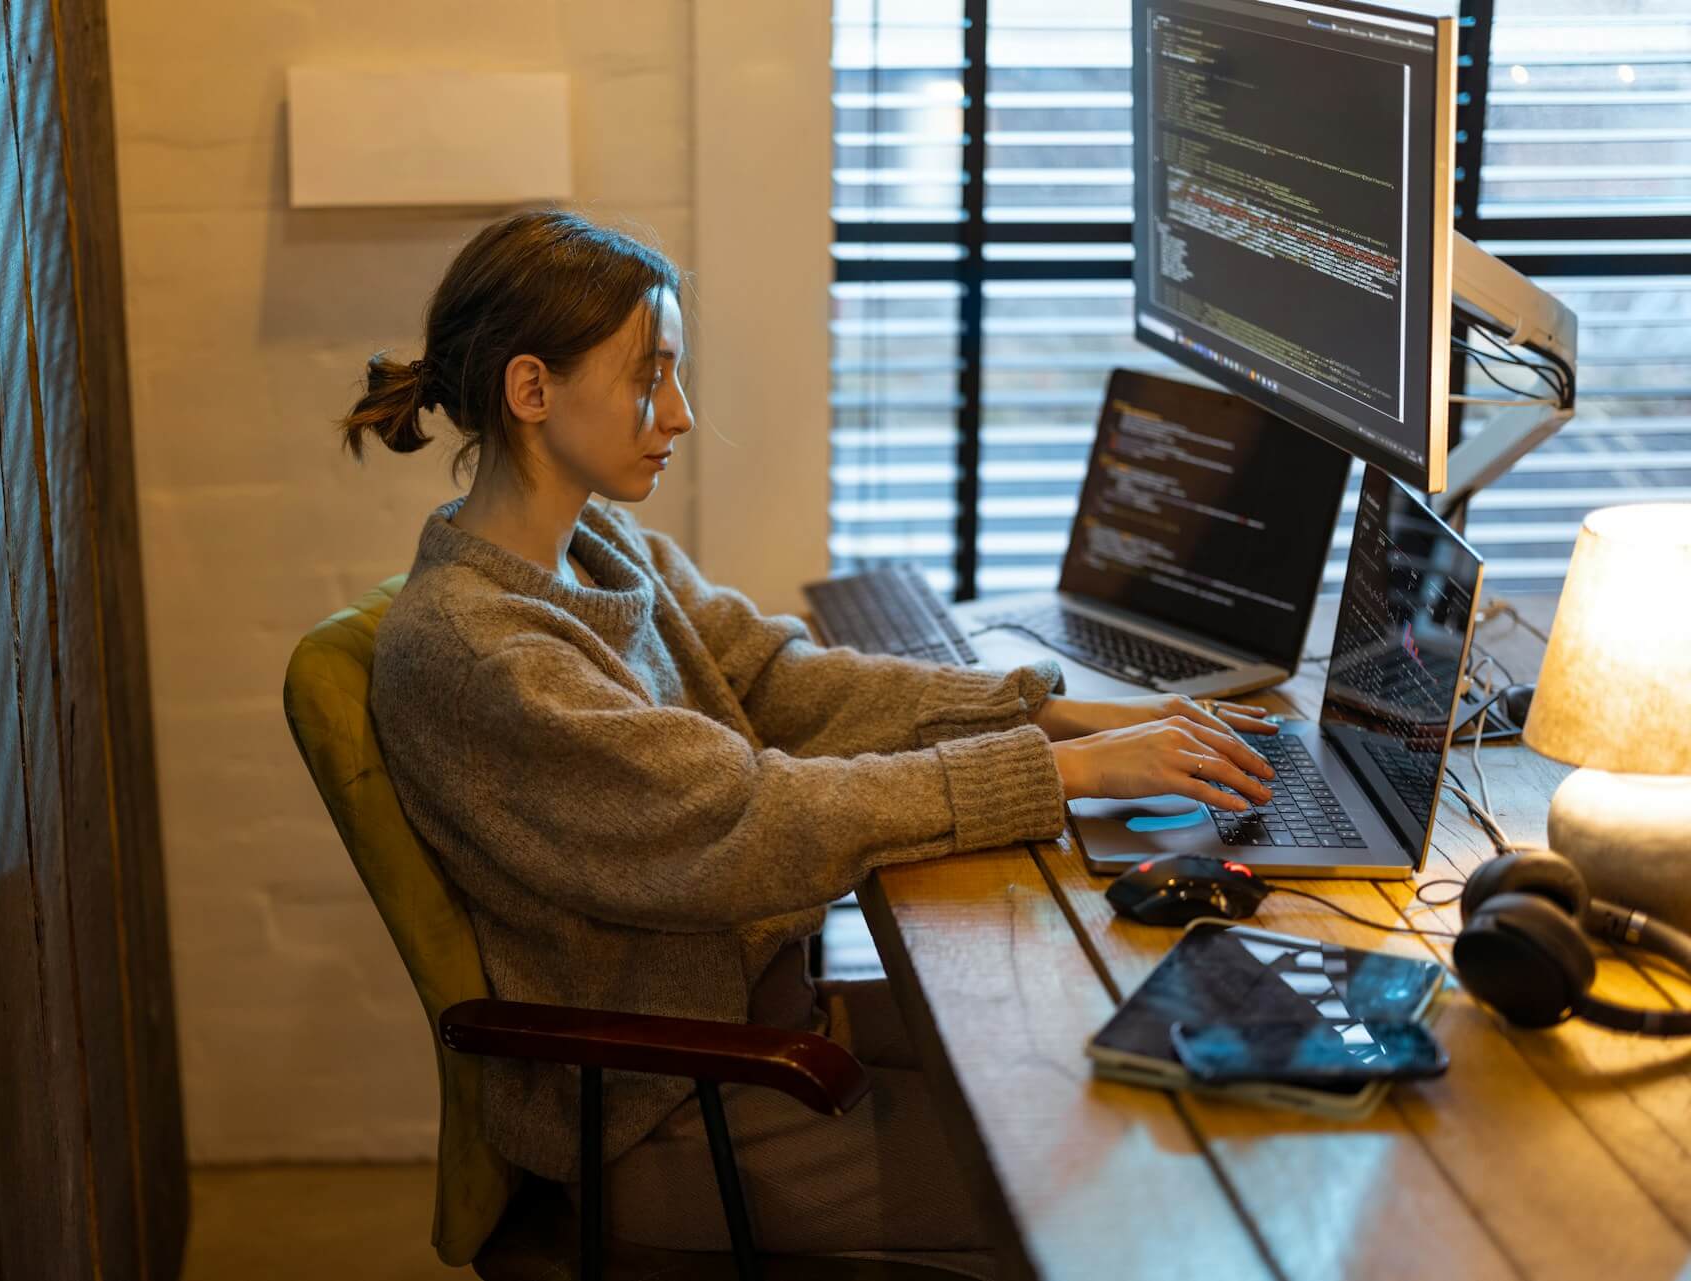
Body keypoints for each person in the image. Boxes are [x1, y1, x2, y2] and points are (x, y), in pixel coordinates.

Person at [345, 208, 1277, 1276]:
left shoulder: (595, 543)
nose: (682, 414)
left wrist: (1050, 710)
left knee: (1126, 1072)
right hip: (680, 1107)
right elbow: (744, 818)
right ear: (531, 390)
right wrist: (1055, 774)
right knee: (1121, 1178)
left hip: (764, 1026)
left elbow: (776, 680)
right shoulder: (478, 654)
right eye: (651, 377)